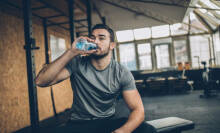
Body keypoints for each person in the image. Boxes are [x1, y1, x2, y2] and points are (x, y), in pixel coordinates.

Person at [35, 24, 155, 133]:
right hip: (79, 124)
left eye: (101, 38)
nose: (96, 41)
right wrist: (72, 52)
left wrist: (123, 131)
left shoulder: (121, 72)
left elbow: (138, 110)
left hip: (106, 122)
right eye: (92, 38)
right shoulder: (77, 63)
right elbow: (41, 81)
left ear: (112, 45)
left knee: (147, 129)